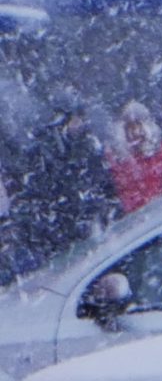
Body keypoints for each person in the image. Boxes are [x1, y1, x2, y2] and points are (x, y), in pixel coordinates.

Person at [3, 90, 119, 277]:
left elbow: (100, 184)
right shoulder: (47, 148)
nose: (80, 123)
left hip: (78, 223)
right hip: (60, 229)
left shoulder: (87, 145)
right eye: (76, 118)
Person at [106, 101, 162, 213]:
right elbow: (126, 194)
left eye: (138, 125)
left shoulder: (161, 151)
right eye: (130, 128)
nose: (136, 132)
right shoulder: (120, 162)